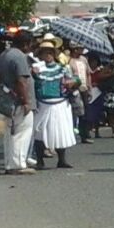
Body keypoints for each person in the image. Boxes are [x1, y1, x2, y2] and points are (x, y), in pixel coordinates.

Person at [30, 37, 79, 170]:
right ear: (40, 54)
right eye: (45, 52)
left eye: (50, 52)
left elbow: (76, 81)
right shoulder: (35, 69)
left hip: (60, 103)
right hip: (42, 104)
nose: (48, 55)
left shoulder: (63, 68)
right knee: (39, 132)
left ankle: (62, 160)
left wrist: (73, 83)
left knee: (60, 131)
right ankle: (40, 161)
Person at [0, 29, 36, 174]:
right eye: (30, 44)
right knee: (22, 132)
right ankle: (18, 164)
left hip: (7, 99)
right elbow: (21, 81)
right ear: (25, 44)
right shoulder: (19, 57)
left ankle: (10, 164)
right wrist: (26, 101)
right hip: (19, 101)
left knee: (9, 133)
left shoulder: (4, 55)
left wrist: (7, 89)